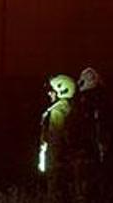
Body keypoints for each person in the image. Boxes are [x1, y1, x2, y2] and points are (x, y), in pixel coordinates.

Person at [38, 74, 78, 203]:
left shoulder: (57, 111)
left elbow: (55, 139)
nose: (49, 94)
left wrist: (51, 164)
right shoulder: (71, 109)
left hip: (56, 162)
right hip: (67, 162)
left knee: (56, 195)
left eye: (52, 91)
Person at [73, 67, 111, 200]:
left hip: (87, 155)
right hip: (96, 155)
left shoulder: (85, 106)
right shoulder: (102, 104)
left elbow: (80, 130)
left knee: (85, 193)